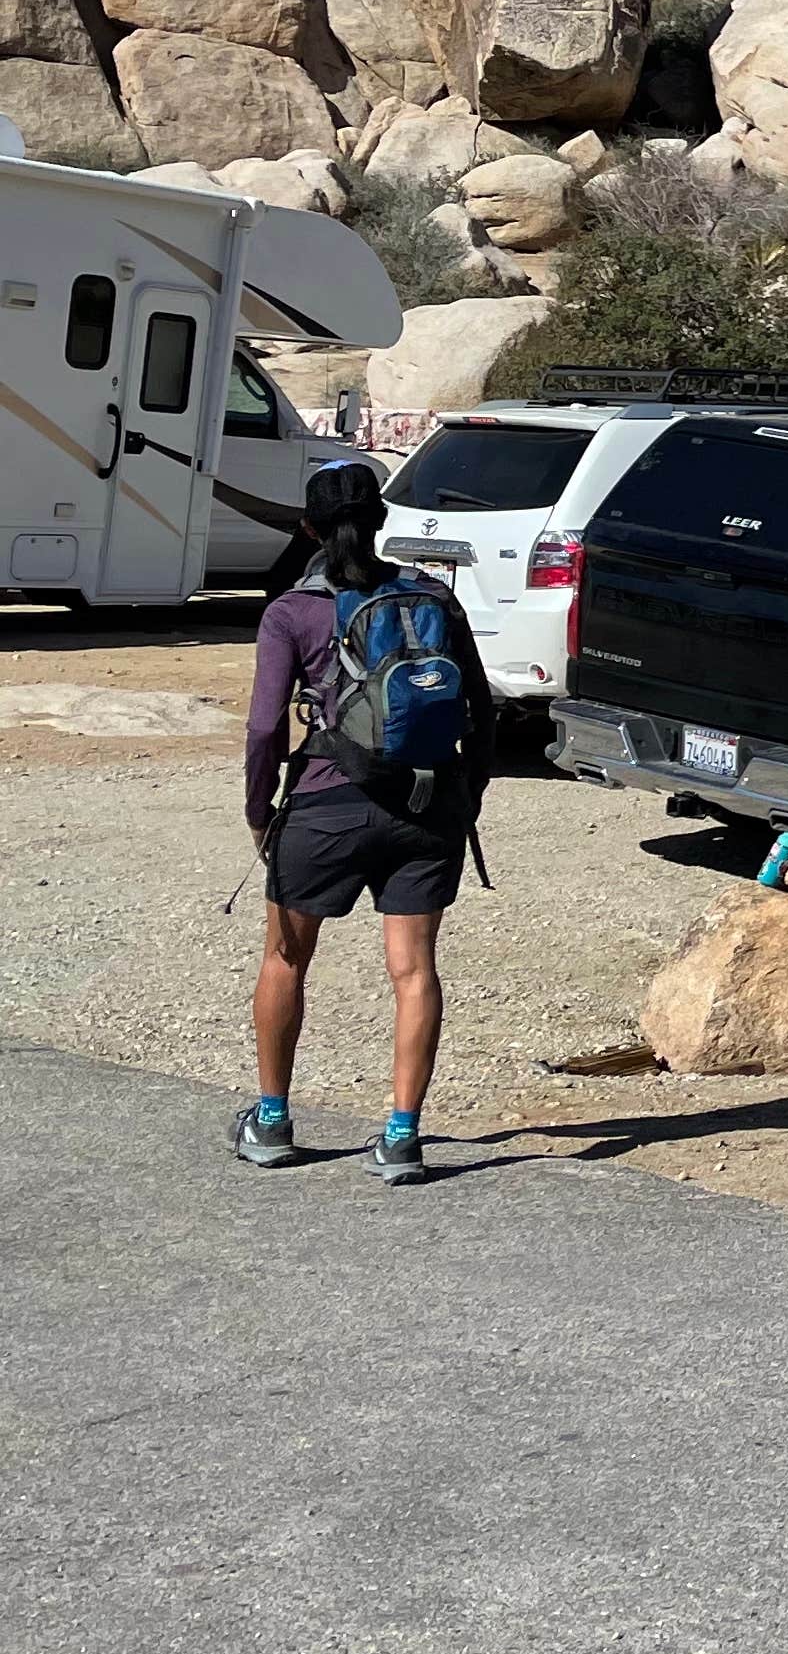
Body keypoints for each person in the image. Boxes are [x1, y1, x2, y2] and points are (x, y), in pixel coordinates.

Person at [236, 458, 495, 1186]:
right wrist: (464, 798)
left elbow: (263, 731)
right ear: (381, 522)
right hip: (426, 806)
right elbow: (482, 713)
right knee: (414, 972)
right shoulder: (434, 599)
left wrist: (260, 813)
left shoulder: (292, 611)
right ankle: (403, 1136)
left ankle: (272, 1120)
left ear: (308, 528)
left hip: (323, 805)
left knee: (286, 958)